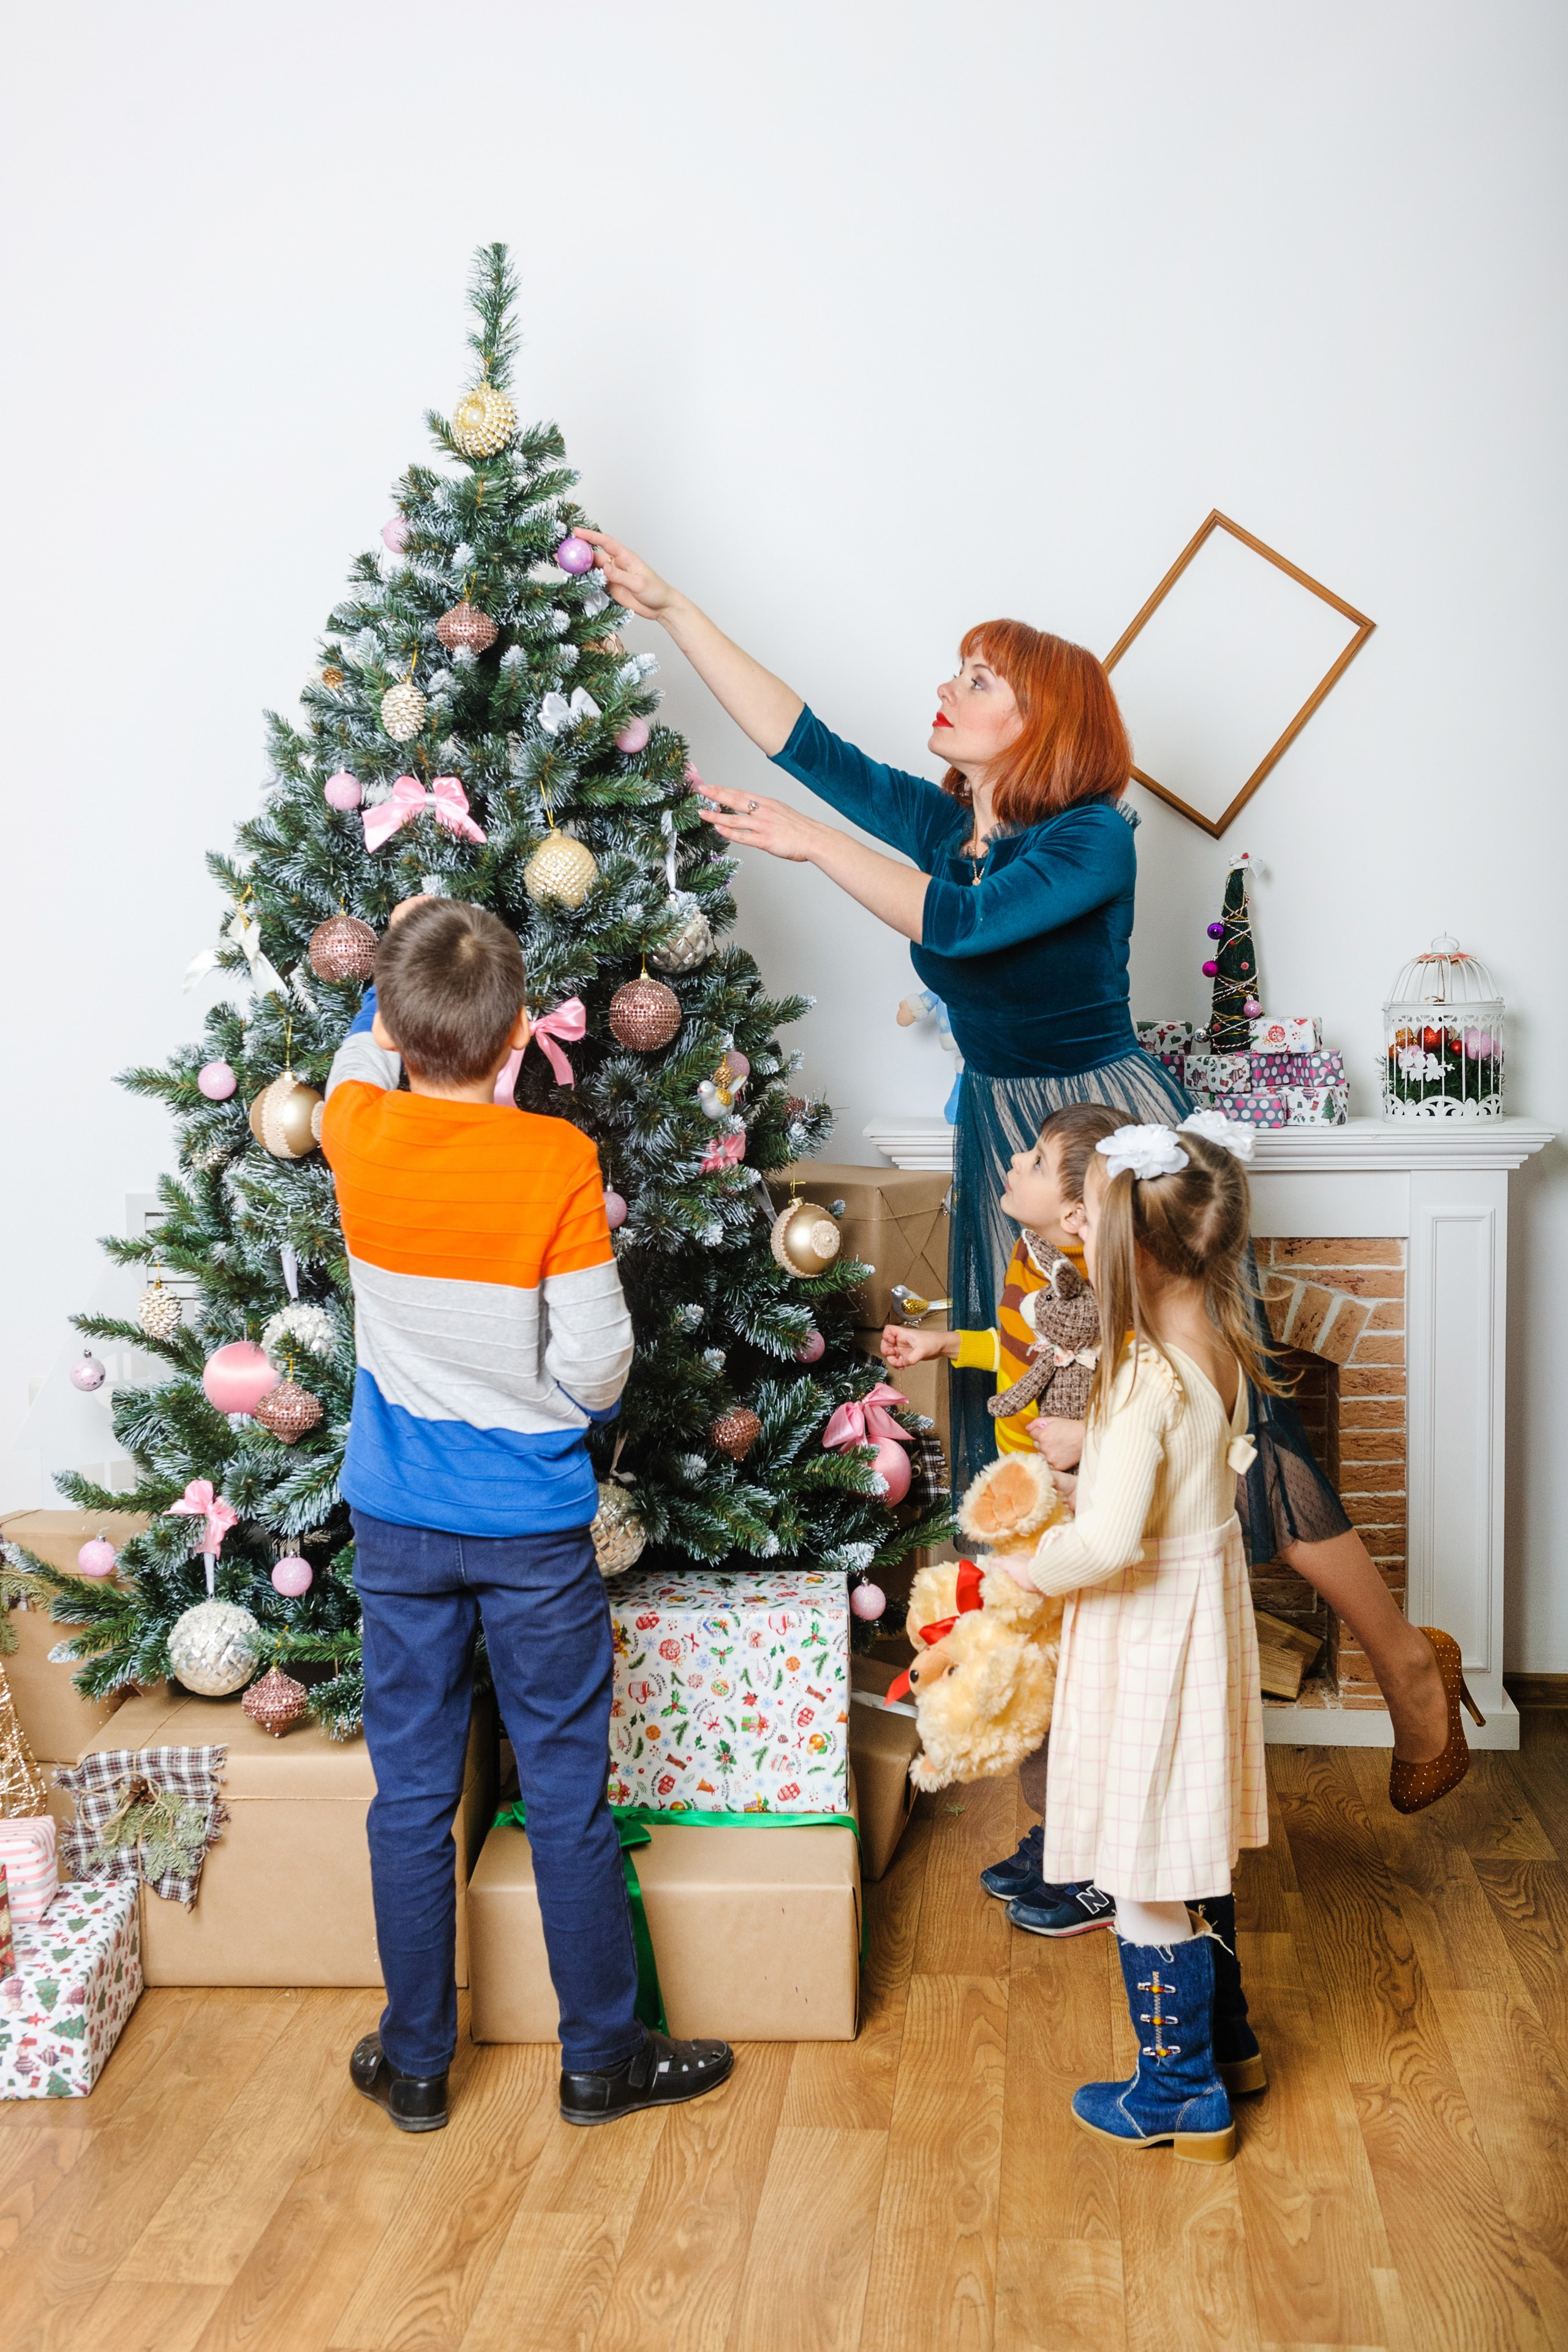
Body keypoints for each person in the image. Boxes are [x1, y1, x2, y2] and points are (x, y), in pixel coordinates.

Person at [571, 527, 1457, 1801]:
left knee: (1229, 1429)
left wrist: (811, 848)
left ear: (1044, 722)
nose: (951, 689)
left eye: (981, 678)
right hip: (1004, 1129)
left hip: (1104, 1136)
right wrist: (668, 606)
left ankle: (1407, 1675)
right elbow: (802, 744)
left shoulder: (1091, 838)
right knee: (1043, 1433)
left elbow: (963, 926)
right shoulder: (953, 826)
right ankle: (1067, 1771)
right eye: (958, 670)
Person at [320, 896, 733, 2132]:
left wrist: (389, 971)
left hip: (396, 1523)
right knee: (563, 1788)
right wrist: (543, 1394)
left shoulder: (356, 1126)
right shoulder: (555, 1161)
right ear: (516, 1047)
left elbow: (360, 1050)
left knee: (407, 1793)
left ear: (395, 1025)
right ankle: (601, 2062)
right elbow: (602, 1367)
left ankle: (415, 2063)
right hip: (531, 1528)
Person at [883, 1099, 1121, 1932]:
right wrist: (947, 1345)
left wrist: (1085, 1442)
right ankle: (1061, 1836)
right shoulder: (1035, 1256)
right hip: (1032, 1491)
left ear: (1076, 1211)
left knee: (1072, 1681)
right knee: (1041, 1676)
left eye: (1032, 1159)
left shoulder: (1102, 1279)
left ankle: (1099, 1867)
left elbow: (1131, 1396)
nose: (1012, 1162)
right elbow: (1024, 1351)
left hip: (1076, 1497)